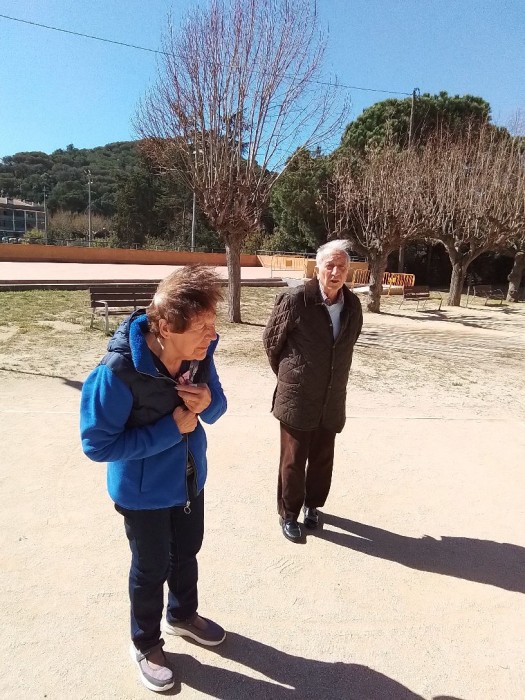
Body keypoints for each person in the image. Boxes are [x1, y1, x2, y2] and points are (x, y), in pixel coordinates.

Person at [80, 265, 227, 693]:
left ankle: (182, 614)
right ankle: (145, 643)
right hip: (143, 494)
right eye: (201, 327)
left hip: (189, 481)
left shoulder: (200, 353)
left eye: (212, 324)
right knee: (150, 567)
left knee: (186, 552)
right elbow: (97, 444)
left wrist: (207, 402)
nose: (212, 335)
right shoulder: (117, 372)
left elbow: (218, 406)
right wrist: (170, 430)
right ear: (164, 327)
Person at [263, 240, 363, 543]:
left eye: (341, 267)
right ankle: (288, 514)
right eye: (329, 265)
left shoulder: (353, 305)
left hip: (331, 398)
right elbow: (271, 342)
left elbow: (348, 343)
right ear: (317, 268)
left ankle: (313, 506)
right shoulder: (295, 300)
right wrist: (293, 376)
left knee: (322, 459)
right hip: (297, 396)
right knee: (293, 460)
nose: (335, 272)